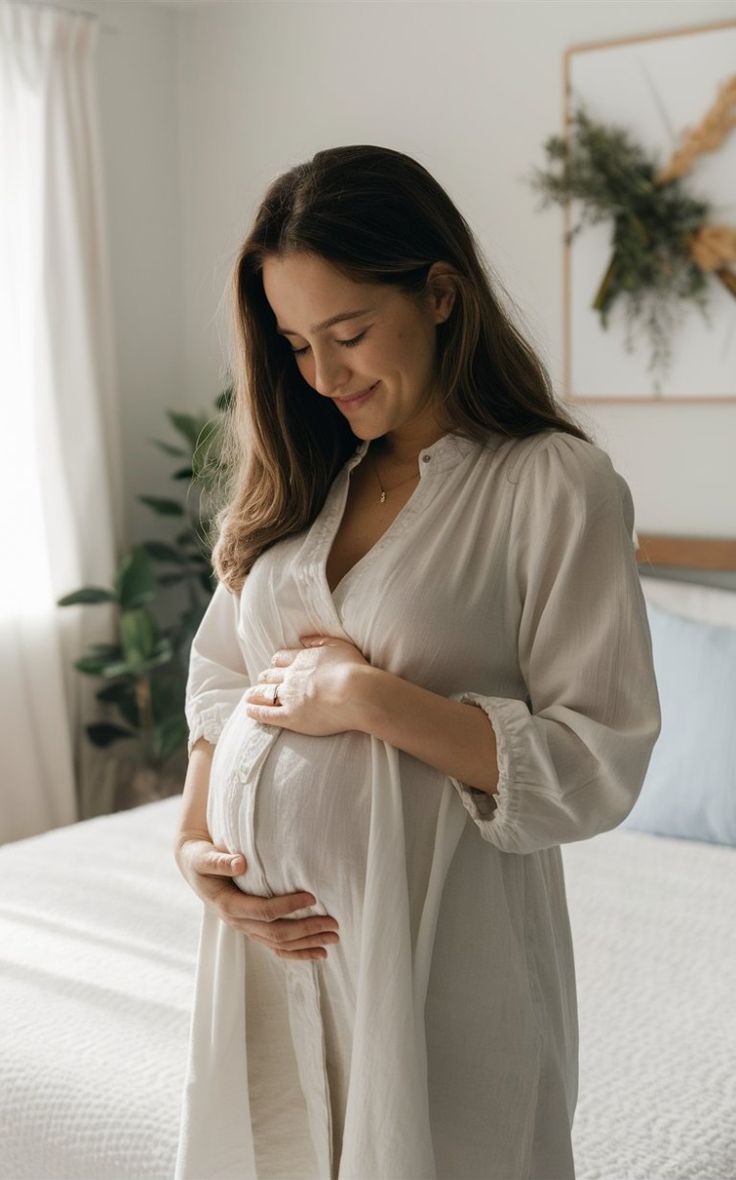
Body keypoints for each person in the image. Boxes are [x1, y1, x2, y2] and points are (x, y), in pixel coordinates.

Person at [172, 144, 661, 1180]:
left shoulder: (551, 486)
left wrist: (369, 698)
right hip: (269, 965)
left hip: (445, 967)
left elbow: (594, 761)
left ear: (440, 293)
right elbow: (221, 677)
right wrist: (194, 846)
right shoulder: (304, 483)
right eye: (298, 343)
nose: (322, 374)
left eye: (348, 333)